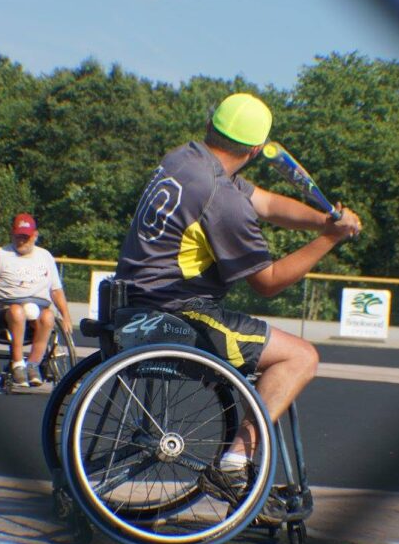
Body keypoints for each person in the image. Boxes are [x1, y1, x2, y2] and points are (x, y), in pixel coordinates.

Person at [114, 92, 362, 520]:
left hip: (135, 302)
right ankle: (234, 464)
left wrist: (324, 220)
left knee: (275, 349)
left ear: (213, 125)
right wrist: (330, 241)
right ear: (254, 150)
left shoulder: (184, 160)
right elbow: (267, 283)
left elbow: (264, 202)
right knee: (301, 356)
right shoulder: (220, 197)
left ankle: (237, 461)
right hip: (177, 313)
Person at [0, 213, 72, 387]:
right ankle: (18, 364)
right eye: (18, 236)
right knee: (17, 311)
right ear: (12, 234)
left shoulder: (45, 256)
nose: (21, 241)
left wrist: (66, 315)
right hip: (3, 310)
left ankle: (33, 365)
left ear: (35, 235)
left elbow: (56, 290)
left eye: (25, 237)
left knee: (48, 316)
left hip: (38, 310)